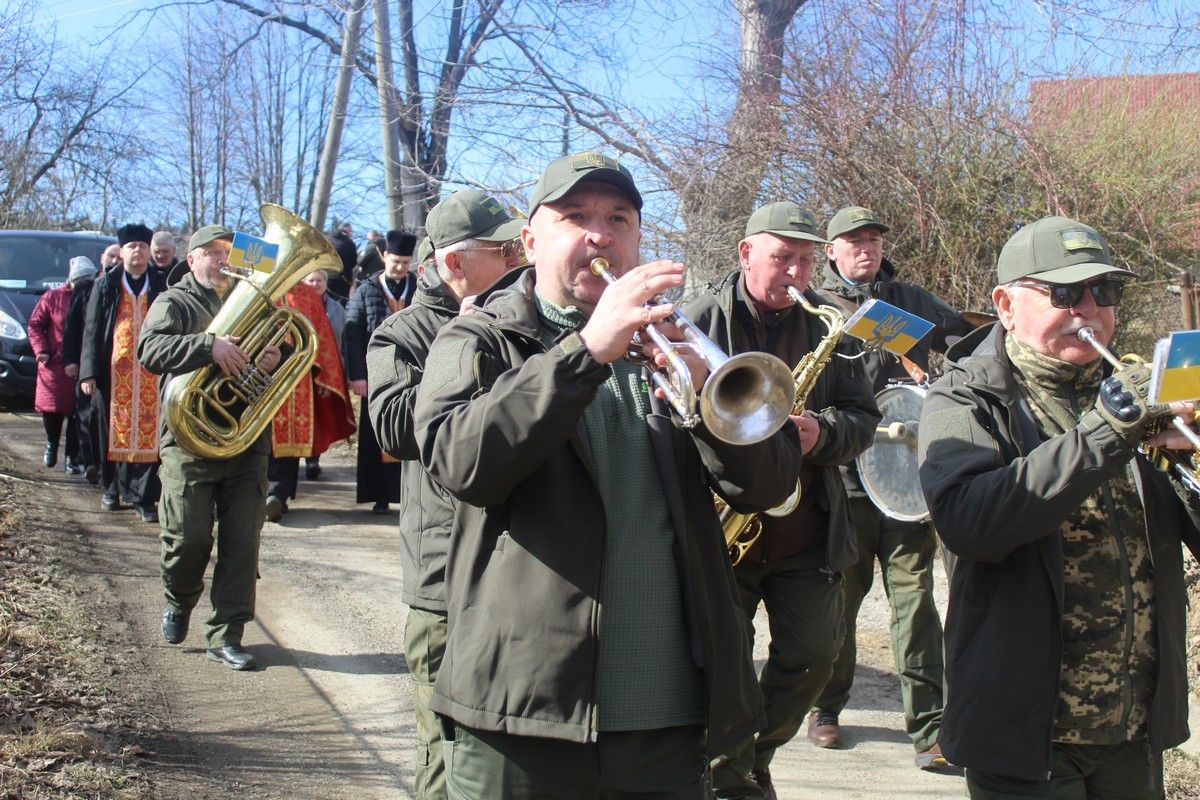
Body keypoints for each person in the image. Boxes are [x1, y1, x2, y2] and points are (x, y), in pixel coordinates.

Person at [411, 152, 802, 799]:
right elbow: (461, 463)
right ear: (531, 241)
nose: (601, 234)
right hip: (522, 714)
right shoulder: (479, 340)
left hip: (669, 716)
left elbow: (768, 486)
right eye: (576, 217)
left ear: (639, 239)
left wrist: (709, 397)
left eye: (619, 217)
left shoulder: (678, 344)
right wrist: (586, 352)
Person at [917, 215, 1200, 798]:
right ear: (1005, 303)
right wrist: (1105, 434)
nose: (1089, 309)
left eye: (1106, 292)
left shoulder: (1141, 392)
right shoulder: (961, 397)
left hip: (1132, 722)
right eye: (1066, 293)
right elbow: (969, 523)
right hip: (1025, 732)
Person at [686, 201, 880, 800]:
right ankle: (725, 776)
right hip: (722, 533)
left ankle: (753, 756)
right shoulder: (697, 319)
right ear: (746, 254)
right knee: (723, 668)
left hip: (805, 532)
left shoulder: (832, 325)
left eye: (803, 259)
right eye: (781, 258)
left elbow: (863, 418)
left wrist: (822, 433)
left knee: (814, 658)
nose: (795, 272)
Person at [806, 205, 975, 767]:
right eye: (854, 241)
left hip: (905, 478)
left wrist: (944, 378)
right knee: (842, 602)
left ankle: (929, 729)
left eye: (874, 240)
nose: (866, 249)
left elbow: (972, 343)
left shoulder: (908, 299)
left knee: (915, 601)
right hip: (845, 477)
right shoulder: (812, 303)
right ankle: (827, 709)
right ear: (830, 250)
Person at [367, 189, 523, 800]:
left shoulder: (525, 314)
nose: (518, 258)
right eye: (503, 249)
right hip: (443, 572)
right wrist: (462, 347)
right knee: (444, 744)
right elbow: (393, 427)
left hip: (518, 567)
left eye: (517, 245)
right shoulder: (402, 333)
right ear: (454, 264)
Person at [137, 225, 282, 671]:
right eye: (215, 253)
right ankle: (179, 600)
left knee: (242, 541)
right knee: (189, 537)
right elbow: (149, 349)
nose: (225, 260)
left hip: (244, 437)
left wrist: (270, 359)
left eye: (229, 253)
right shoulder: (174, 301)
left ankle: (228, 634)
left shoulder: (254, 297)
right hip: (189, 439)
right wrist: (208, 346)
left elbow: (278, 348)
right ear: (193, 258)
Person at [80, 223, 165, 522]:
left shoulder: (160, 283)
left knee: (149, 433)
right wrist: (88, 373)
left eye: (143, 246)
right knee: (108, 430)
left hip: (152, 374)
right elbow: (91, 330)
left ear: (149, 251)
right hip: (113, 374)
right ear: (123, 251)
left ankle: (144, 498)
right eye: (133, 247)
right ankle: (110, 487)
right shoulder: (106, 284)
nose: (138, 251)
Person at [264, 278, 355, 520]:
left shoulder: (306, 294)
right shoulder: (258, 286)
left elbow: (322, 337)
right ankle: (263, 493)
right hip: (260, 375)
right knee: (262, 435)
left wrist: (327, 376)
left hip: (298, 377)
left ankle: (278, 495)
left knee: (292, 435)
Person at [345, 230, 416, 513]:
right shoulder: (367, 290)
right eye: (396, 260)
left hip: (413, 372)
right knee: (376, 433)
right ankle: (380, 496)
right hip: (376, 372)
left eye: (405, 262)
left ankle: (407, 494)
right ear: (384, 256)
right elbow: (353, 334)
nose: (400, 267)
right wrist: (357, 374)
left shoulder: (419, 288)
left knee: (409, 430)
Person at [29, 257, 94, 472]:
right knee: (53, 410)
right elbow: (35, 325)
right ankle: (52, 442)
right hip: (54, 364)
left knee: (78, 413)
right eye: (81, 279)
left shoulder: (94, 295)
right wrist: (42, 350)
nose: (85, 283)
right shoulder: (53, 297)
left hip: (82, 362)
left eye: (89, 278)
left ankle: (71, 458)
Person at [299, 268, 349, 481]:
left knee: (319, 417)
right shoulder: (296, 304)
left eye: (319, 280)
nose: (315, 283)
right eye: (311, 280)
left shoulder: (338, 309)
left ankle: (313, 461)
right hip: (300, 370)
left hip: (327, 370)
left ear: (325, 283)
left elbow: (344, 341)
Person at [62, 258, 101, 483]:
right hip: (84, 363)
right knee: (85, 415)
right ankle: (90, 463)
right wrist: (70, 360)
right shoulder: (83, 292)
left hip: (108, 366)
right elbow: (72, 328)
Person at [327, 222, 358, 301]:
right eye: (350, 232)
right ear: (345, 230)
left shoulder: (327, 238)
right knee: (339, 305)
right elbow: (354, 261)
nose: (350, 234)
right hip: (342, 278)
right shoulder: (349, 243)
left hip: (326, 276)